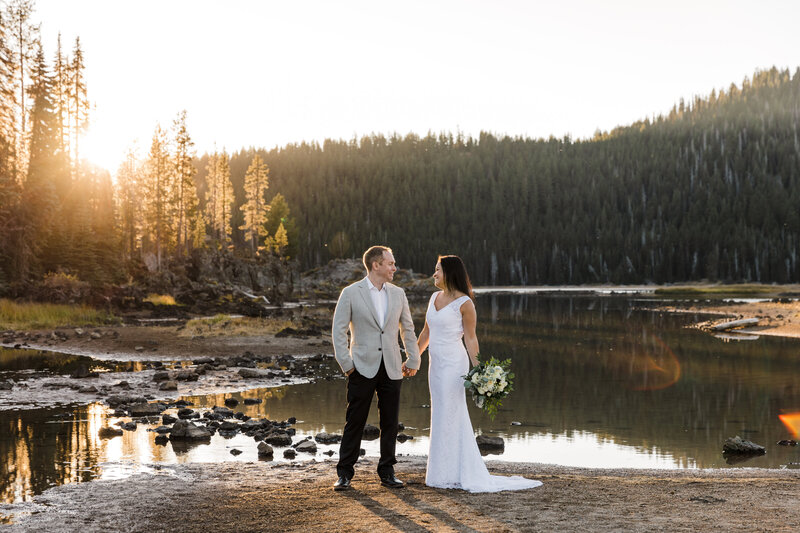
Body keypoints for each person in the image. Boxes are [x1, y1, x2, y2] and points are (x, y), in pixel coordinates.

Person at [417, 255, 542, 492]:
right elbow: (425, 333)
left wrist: (479, 373)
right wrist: (413, 359)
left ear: (450, 273)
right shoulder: (433, 297)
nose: (433, 274)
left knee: (451, 413)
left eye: (437, 270)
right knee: (440, 412)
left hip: (455, 365)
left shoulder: (465, 303)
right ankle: (441, 472)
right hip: (436, 365)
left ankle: (454, 473)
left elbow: (471, 339)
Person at [331, 245, 421, 491]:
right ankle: (345, 473)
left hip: (392, 367)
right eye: (391, 263)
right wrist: (347, 365)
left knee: (390, 422)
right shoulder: (350, 293)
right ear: (376, 265)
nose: (394, 267)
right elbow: (338, 331)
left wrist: (414, 359)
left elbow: (408, 329)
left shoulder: (398, 294)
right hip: (361, 367)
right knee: (355, 421)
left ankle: (387, 471)